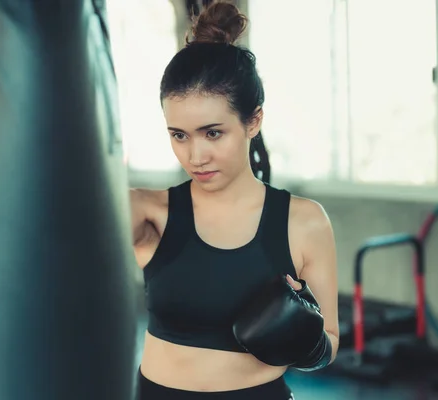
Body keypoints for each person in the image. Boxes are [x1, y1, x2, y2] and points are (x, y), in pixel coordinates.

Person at [129, 1, 339, 399]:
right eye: (179, 135)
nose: (195, 156)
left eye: (212, 133)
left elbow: (330, 346)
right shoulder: (148, 212)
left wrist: (305, 334)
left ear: (253, 121)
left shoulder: (305, 221)